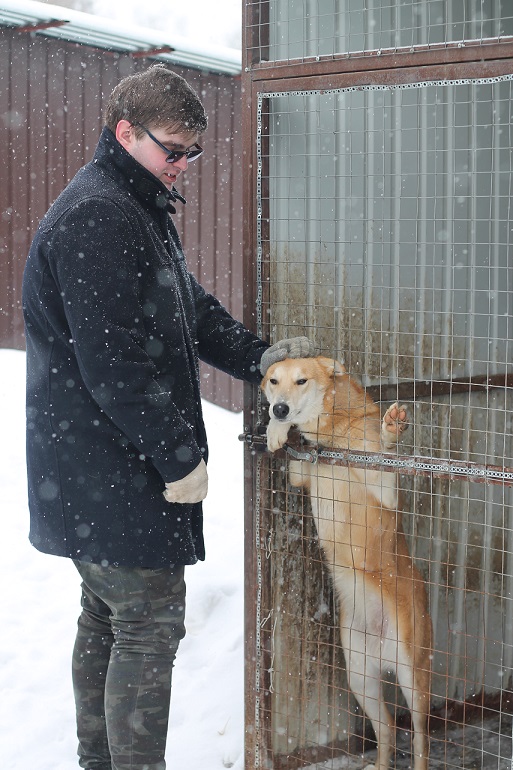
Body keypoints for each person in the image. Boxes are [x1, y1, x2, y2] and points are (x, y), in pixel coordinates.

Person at [22, 64, 313, 770]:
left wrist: (262, 359)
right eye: (172, 150)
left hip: (98, 470)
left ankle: (102, 763)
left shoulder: (135, 204)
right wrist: (179, 458)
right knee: (147, 625)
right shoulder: (100, 215)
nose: (183, 165)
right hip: (108, 467)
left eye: (192, 152)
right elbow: (114, 368)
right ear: (125, 132)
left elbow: (191, 311)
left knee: (110, 616)